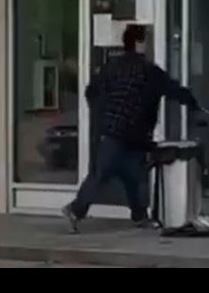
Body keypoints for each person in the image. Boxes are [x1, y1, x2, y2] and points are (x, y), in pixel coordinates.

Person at [63, 24, 198, 233]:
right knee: (117, 175)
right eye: (148, 40)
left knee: (126, 175)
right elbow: (174, 91)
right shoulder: (149, 71)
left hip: (114, 131)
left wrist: (103, 116)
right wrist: (194, 103)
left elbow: (91, 92)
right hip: (132, 132)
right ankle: (77, 209)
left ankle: (138, 215)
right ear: (140, 43)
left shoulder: (112, 66)